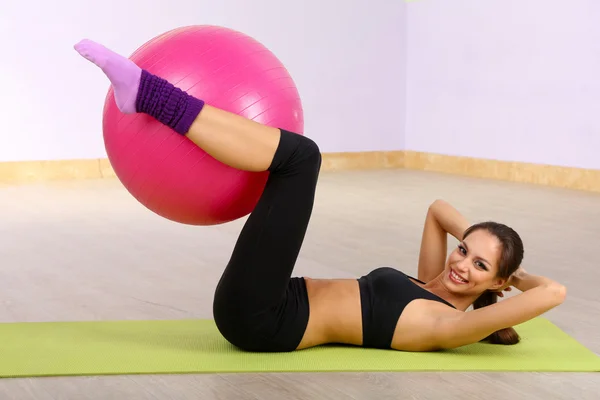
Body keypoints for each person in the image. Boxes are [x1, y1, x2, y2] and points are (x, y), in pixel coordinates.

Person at [74, 39, 567, 353]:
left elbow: (554, 293)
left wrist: (510, 278)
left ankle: (152, 96)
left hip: (263, 320)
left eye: (479, 267)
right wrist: (480, 254)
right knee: (297, 161)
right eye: (465, 251)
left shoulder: (447, 327)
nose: (461, 264)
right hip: (273, 298)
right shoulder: (429, 287)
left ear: (497, 281)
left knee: (300, 159)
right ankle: (149, 96)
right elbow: (438, 211)